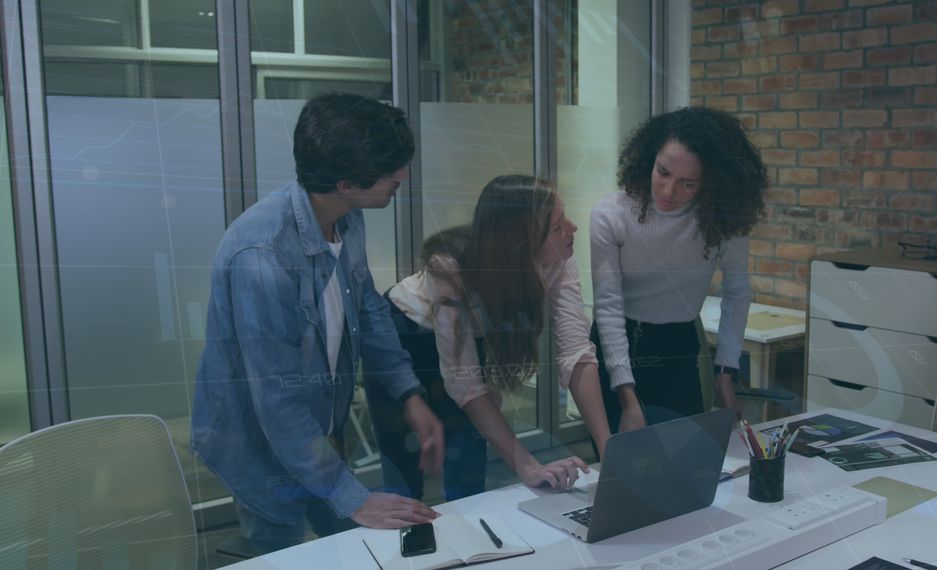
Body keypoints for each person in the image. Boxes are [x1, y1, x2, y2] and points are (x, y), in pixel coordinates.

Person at [191, 93, 446, 555]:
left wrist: (409, 393)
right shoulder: (262, 256)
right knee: (280, 549)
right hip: (259, 443)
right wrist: (354, 497)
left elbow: (368, 309)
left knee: (350, 545)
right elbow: (278, 401)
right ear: (346, 182)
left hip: (318, 427)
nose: (402, 176)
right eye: (392, 168)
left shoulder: (345, 218)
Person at [366, 175, 644, 502]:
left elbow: (576, 353)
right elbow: (465, 382)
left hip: (466, 338)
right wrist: (528, 466)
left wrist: (607, 447)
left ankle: (473, 545)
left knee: (467, 461)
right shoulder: (450, 265)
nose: (572, 229)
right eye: (557, 226)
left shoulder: (559, 258)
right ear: (522, 244)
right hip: (406, 335)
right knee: (405, 471)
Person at [590, 106, 767, 431]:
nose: (669, 191)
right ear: (649, 158)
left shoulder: (723, 218)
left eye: (688, 184)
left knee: (683, 462)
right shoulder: (611, 213)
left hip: (678, 348)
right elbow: (608, 306)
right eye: (663, 172)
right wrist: (627, 397)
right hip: (615, 345)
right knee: (620, 468)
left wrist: (725, 373)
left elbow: (738, 292)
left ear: (711, 182)